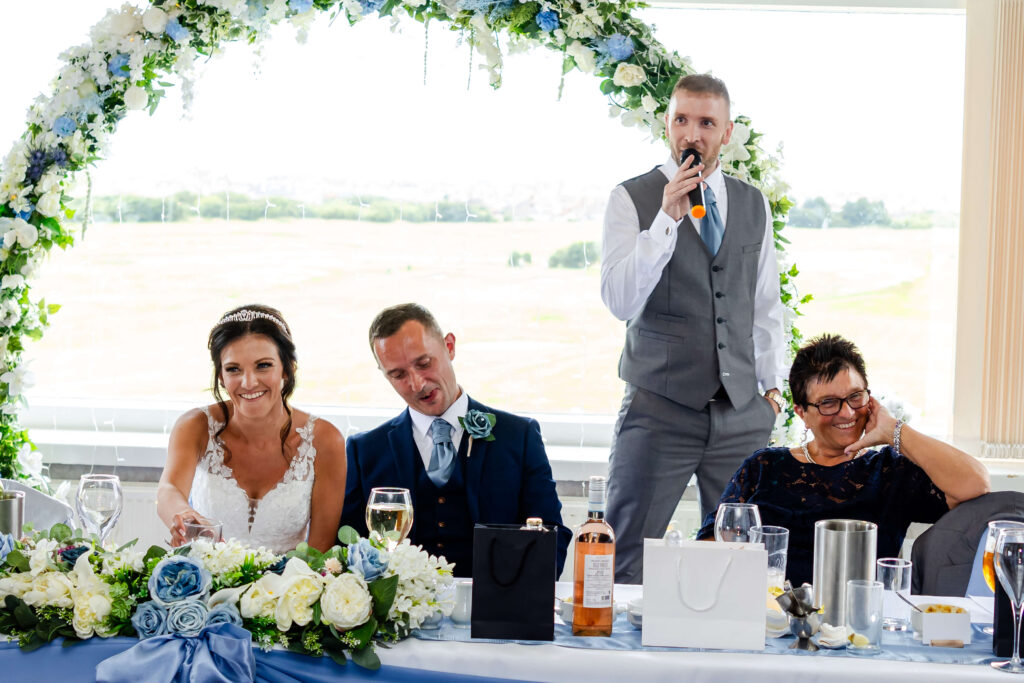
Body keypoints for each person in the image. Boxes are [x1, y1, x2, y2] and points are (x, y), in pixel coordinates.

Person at [601, 73, 788, 583]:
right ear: (667, 124)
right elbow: (619, 301)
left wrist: (772, 392)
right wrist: (665, 220)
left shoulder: (753, 204)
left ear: (726, 133)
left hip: (741, 415)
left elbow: (765, 305)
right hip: (659, 410)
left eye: (706, 123)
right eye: (682, 120)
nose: (692, 134)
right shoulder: (631, 199)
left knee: (741, 568)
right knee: (624, 561)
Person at [696, 333, 990, 585]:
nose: (847, 412)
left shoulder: (889, 470)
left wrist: (893, 431)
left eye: (855, 397)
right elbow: (711, 546)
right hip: (768, 619)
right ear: (801, 413)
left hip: (859, 626)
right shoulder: (764, 467)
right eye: (828, 403)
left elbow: (975, 483)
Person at [340, 303, 571, 577]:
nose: (417, 384)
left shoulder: (519, 437)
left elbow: (551, 537)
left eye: (424, 363)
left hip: (494, 610)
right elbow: (346, 550)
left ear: (449, 346)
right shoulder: (364, 451)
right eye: (398, 374)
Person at [157, 305, 346, 553]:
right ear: (221, 377)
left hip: (291, 587)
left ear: (288, 370)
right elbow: (168, 490)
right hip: (205, 585)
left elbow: (320, 551)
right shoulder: (195, 426)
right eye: (233, 369)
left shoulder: (325, 439)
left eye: (263, 365)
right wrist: (183, 516)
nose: (248, 382)